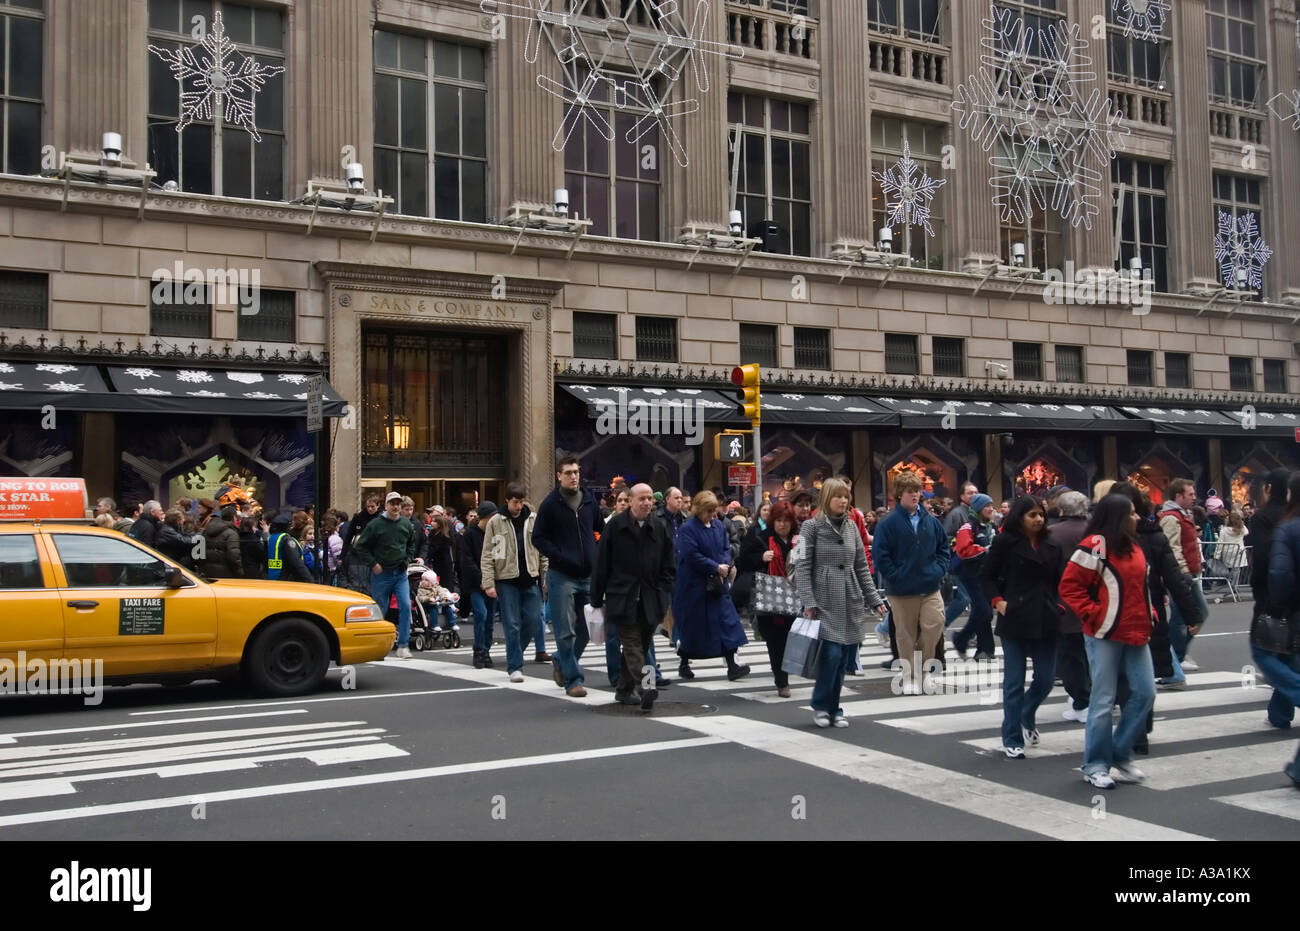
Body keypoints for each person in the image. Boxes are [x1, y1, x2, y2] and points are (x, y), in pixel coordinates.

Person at [1059, 494, 1157, 789]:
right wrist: (1094, 613)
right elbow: (1069, 586)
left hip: (1136, 629)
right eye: (1132, 512)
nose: (1137, 517)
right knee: (1103, 700)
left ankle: (1119, 752)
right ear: (1119, 516)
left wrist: (1148, 610)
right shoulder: (1095, 546)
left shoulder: (1133, 544)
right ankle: (1096, 764)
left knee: (1145, 692)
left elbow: (1140, 585)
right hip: (1104, 632)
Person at [1111, 481, 1205, 753]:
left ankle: (1136, 731)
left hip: (1119, 616)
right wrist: (1191, 614)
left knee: (1125, 677)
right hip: (1145, 615)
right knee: (1143, 675)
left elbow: (1173, 577)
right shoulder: (1151, 535)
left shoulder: (1109, 538)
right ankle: (1141, 727)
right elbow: (1174, 578)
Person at [795, 479, 886, 726]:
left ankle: (835, 708)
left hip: (850, 597)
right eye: (838, 496)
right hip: (823, 599)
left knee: (844, 657)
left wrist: (874, 599)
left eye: (846, 497)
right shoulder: (809, 528)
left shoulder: (852, 528)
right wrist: (808, 600)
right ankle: (822, 705)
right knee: (831, 655)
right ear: (826, 498)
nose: (844, 501)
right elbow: (801, 566)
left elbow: (862, 567)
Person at [982, 496, 1062, 758]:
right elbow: (987, 575)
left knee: (1046, 679)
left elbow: (1062, 581)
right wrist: (998, 601)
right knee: (1014, 681)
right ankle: (1012, 735)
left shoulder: (1052, 543)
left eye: (1041, 514)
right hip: (1015, 615)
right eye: (1032, 515)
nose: (1038, 519)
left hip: (1047, 616)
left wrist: (1061, 605)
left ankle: (1027, 713)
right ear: (1020, 518)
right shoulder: (1005, 542)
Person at [590, 483, 675, 710]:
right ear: (630, 501)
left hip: (651, 597)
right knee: (632, 644)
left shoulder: (658, 526)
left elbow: (669, 561)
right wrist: (596, 598)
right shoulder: (615, 526)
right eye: (642, 498)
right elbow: (602, 564)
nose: (647, 502)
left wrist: (664, 588)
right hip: (622, 596)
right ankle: (645, 686)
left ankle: (623, 689)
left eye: (650, 498)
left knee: (642, 644)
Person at [531, 456, 604, 698]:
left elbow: (599, 528)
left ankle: (561, 660)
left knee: (587, 628)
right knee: (565, 630)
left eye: (576, 472)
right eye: (568, 472)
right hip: (561, 575)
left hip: (587, 574)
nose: (574, 476)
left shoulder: (589, 499)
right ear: (559, 476)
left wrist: (598, 555)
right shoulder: (551, 504)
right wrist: (559, 556)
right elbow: (538, 537)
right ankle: (573, 680)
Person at [872, 471, 949, 694]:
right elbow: (881, 555)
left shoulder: (930, 521)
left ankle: (924, 672)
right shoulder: (888, 523)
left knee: (934, 626)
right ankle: (910, 677)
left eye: (917, 491)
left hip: (929, 584)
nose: (915, 495)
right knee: (905, 635)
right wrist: (895, 576)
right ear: (899, 494)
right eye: (910, 491)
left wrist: (939, 570)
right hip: (902, 589)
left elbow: (943, 548)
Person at [672, 491, 750, 682]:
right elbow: (691, 555)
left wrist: (723, 565)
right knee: (694, 627)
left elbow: (726, 547)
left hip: (717, 583)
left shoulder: (717, 526)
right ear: (698, 510)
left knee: (727, 622)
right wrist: (715, 566)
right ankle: (684, 661)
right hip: (694, 585)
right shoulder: (688, 529)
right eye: (707, 511)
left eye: (713, 511)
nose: (711, 515)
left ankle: (732, 665)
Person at [482, 484, 547, 683]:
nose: (518, 506)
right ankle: (515, 667)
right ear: (507, 501)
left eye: (521, 502)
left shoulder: (534, 520)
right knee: (512, 624)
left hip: (530, 578)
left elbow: (543, 551)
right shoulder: (496, 521)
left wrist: (545, 578)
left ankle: (515, 653)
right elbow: (487, 554)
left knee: (535, 620)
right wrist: (488, 582)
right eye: (515, 502)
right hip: (506, 579)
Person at [1250, 469, 1297, 735]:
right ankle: (1279, 712)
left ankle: (1282, 710)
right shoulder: (1292, 516)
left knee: (1266, 651)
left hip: (1274, 596)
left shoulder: (1266, 518)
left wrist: (1266, 597)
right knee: (1289, 655)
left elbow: (1268, 562)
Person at [737, 501, 800, 697]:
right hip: (768, 597)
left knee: (790, 639)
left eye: (786, 521)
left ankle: (785, 674)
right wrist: (761, 558)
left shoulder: (799, 541)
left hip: (793, 596)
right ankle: (782, 681)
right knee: (775, 641)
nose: (782, 525)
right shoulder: (760, 538)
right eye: (779, 520)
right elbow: (742, 561)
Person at [1263, 471, 1300, 788]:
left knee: (1267, 656)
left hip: (1294, 613)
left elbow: (1280, 574)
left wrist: (1279, 605)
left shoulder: (1288, 528)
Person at [352, 492, 415, 658]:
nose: (395, 507)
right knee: (380, 609)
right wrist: (373, 564)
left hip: (400, 572)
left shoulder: (406, 524)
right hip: (382, 574)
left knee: (405, 606)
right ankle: (377, 645)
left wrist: (407, 559)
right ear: (386, 505)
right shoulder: (375, 525)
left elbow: (411, 544)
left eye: (398, 504)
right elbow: (361, 546)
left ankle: (403, 645)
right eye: (392, 503)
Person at [1048, 491, 1092, 723]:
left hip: (1064, 602)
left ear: (1062, 510)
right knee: (1092, 654)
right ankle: (1095, 696)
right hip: (1096, 601)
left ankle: (1081, 700)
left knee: (1071, 656)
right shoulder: (1098, 531)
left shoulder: (1053, 533)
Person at [1158, 478, 1210, 676]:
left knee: (1194, 614)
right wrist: (1183, 572)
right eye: (1190, 494)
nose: (1194, 497)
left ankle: (1177, 654)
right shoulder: (1171, 517)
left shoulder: (1182, 514)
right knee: (1184, 617)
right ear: (1178, 496)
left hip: (1188, 573)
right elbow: (1173, 547)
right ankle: (1176, 656)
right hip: (1182, 575)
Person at [461, 500, 497, 668]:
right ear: (485, 518)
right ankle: (479, 650)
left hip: (492, 582)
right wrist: (482, 580)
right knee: (481, 614)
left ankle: (486, 650)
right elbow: (467, 561)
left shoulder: (496, 534)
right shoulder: (469, 535)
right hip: (477, 584)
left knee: (489, 618)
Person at [942, 482, 979, 626]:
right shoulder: (957, 514)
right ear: (962, 496)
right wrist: (960, 546)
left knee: (976, 599)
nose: (973, 495)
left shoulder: (976, 513)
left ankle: (972, 633)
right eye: (970, 493)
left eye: (975, 492)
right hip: (961, 563)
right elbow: (947, 537)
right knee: (964, 598)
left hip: (975, 563)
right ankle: (941, 626)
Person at [340, 493, 382, 593]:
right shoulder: (359, 517)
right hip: (357, 551)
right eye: (368, 506)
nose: (370, 509)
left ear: (378, 505)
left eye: (373, 507)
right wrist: (342, 555)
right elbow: (348, 537)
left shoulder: (381, 518)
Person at [266, 512, 314, 583]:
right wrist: (309, 580)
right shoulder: (286, 540)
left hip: (273, 578)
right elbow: (296, 562)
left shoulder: (272, 538)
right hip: (287, 580)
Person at [199, 504, 244, 578]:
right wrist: (239, 572)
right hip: (226, 573)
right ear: (233, 518)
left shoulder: (206, 530)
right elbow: (234, 556)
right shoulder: (232, 533)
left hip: (207, 572)